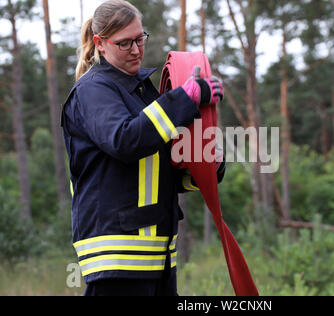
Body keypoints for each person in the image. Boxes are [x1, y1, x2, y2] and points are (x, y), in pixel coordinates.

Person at [61, 0, 225, 296]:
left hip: (157, 258)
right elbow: (125, 140)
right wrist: (183, 99)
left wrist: (207, 162)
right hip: (117, 258)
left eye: (140, 39)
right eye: (125, 43)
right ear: (100, 44)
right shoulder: (93, 90)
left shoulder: (140, 93)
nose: (136, 49)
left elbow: (160, 174)